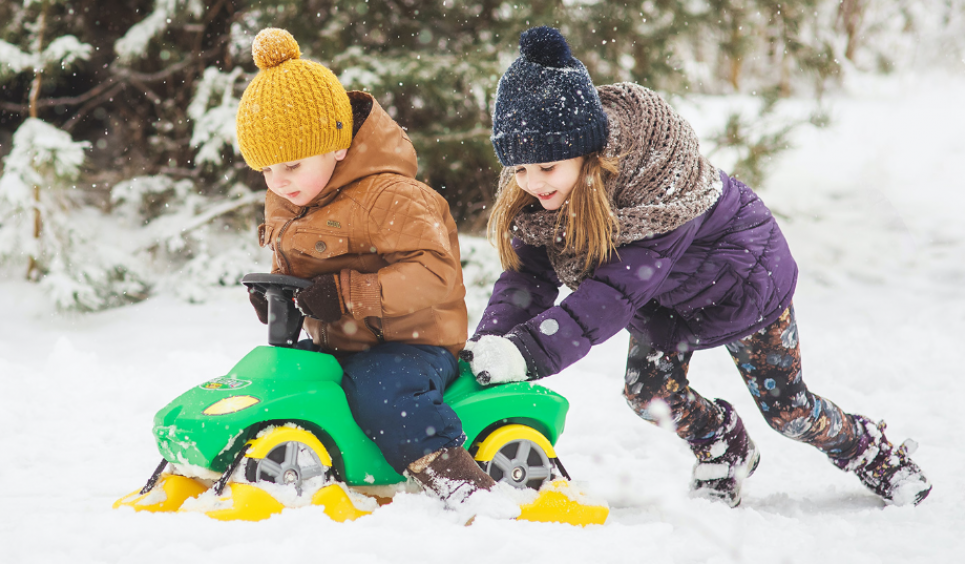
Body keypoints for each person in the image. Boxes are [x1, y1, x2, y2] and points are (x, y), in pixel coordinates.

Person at [461, 26, 931, 507]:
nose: (533, 183)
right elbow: (527, 278)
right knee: (648, 394)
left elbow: (610, 294)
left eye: (546, 168)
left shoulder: (660, 191)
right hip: (665, 304)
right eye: (519, 169)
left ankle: (874, 454)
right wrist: (493, 345)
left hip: (744, 286)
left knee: (788, 410)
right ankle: (725, 446)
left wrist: (527, 352)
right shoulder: (543, 193)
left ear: (589, 154)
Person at [235, 28, 497, 506]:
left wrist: (350, 295)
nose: (279, 182)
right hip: (340, 343)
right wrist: (281, 297)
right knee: (286, 381)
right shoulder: (291, 198)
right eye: (267, 170)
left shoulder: (391, 196)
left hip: (411, 345)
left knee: (384, 394)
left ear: (337, 145)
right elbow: (298, 265)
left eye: (291, 165)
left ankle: (460, 482)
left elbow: (437, 275)